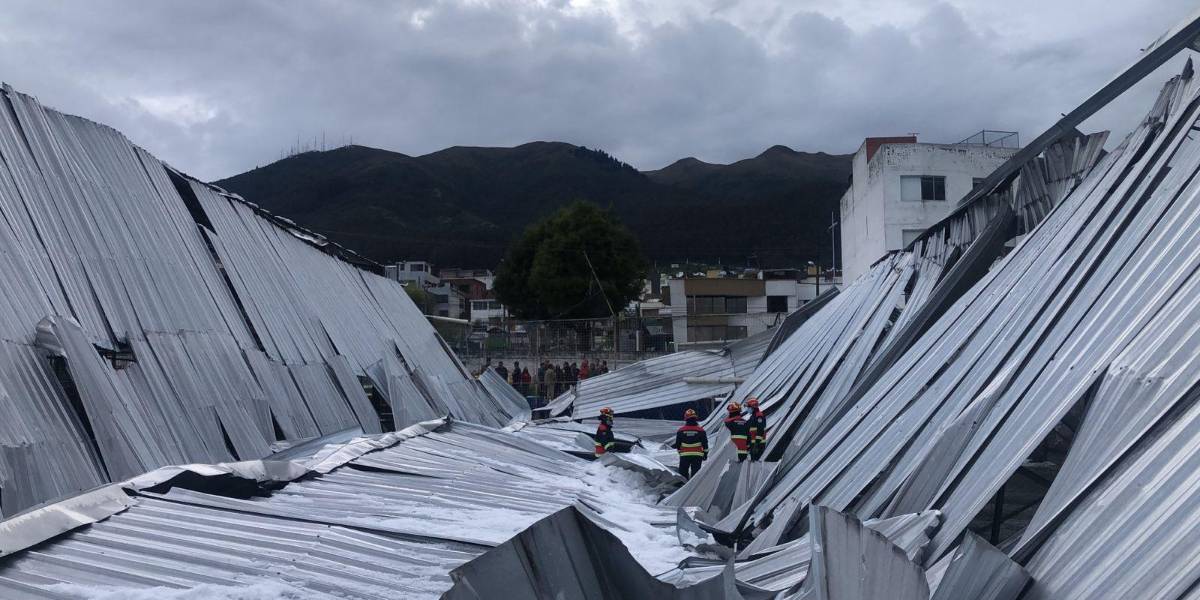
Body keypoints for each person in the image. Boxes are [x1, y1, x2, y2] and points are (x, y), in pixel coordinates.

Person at [672, 408, 708, 479]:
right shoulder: (701, 430)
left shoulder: (680, 431)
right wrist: (705, 454)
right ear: (695, 419)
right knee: (696, 475)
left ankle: (683, 487)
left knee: (683, 473)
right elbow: (705, 444)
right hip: (698, 455)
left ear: (686, 419)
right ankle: (695, 488)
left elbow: (678, 444)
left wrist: (680, 452)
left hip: (684, 455)